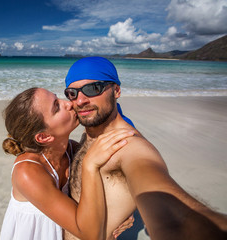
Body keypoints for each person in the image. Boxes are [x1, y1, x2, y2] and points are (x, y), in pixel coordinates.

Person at [63, 56, 227, 240]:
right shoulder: (92, 134)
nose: (80, 101)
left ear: (116, 90)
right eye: (72, 93)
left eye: (92, 89)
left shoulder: (129, 147)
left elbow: (172, 213)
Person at [0, 87, 136, 240]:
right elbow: (88, 234)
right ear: (44, 137)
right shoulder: (27, 172)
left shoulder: (71, 149)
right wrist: (90, 164)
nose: (69, 104)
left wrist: (122, 213)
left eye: (58, 98)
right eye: (56, 107)